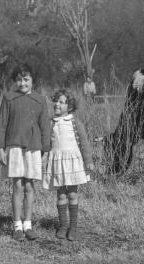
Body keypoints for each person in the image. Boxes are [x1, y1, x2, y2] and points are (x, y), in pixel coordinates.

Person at [0, 63, 50, 241]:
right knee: (17, 185)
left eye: (26, 79)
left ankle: (28, 224)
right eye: (19, 79)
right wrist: (0, 149)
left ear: (32, 80)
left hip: (33, 149)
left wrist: (46, 150)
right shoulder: (9, 98)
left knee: (29, 186)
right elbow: (1, 124)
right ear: (15, 81)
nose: (22, 83)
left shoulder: (40, 100)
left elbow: (45, 127)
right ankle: (17, 225)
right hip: (14, 148)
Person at [42, 89, 94, 241]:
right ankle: (63, 226)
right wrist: (43, 156)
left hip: (72, 163)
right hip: (57, 163)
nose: (57, 104)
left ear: (69, 107)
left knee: (72, 194)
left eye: (62, 102)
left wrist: (89, 160)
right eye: (56, 101)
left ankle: (73, 227)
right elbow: (46, 142)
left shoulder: (75, 122)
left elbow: (84, 143)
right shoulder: (51, 123)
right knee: (61, 195)